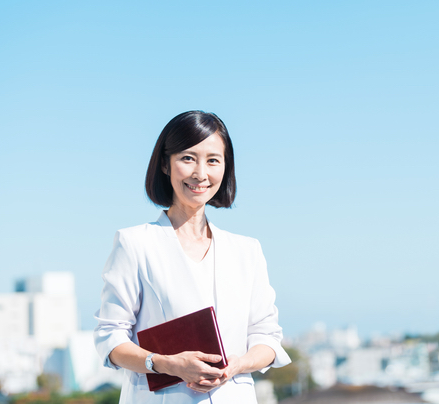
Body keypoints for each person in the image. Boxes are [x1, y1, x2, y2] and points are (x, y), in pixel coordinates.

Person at [94, 111, 291, 403]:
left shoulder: (246, 251)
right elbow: (109, 337)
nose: (201, 173)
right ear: (165, 163)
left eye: (213, 160)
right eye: (188, 158)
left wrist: (238, 364)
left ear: (226, 167)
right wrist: (163, 363)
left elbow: (267, 338)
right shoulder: (134, 243)